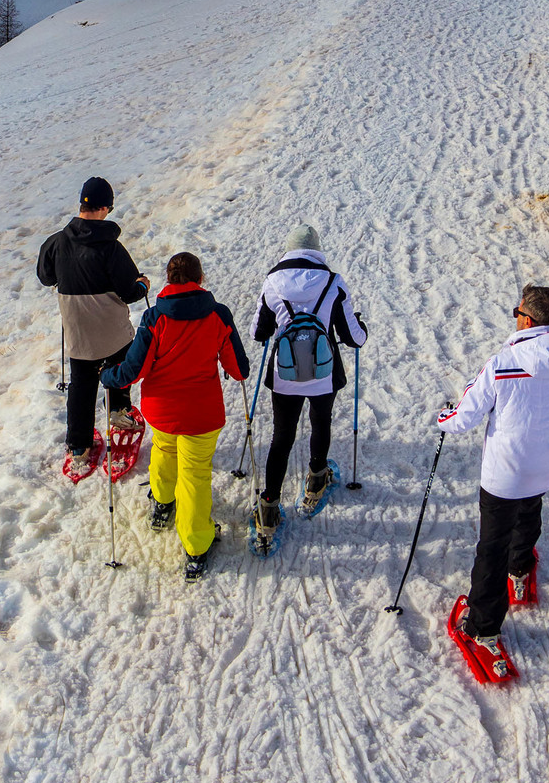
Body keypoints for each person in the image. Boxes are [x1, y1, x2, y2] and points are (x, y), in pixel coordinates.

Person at [437, 283, 549, 657]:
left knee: (491, 548)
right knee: (530, 510)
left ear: (526, 320)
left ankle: (483, 627)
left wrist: (442, 418)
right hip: (546, 467)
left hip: (505, 473)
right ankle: (521, 569)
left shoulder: (501, 364)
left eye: (517, 313)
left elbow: (462, 418)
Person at [101, 251, 248, 579]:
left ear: (169, 279)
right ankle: (196, 546)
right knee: (195, 474)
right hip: (202, 415)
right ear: (200, 278)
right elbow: (239, 370)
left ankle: (163, 505)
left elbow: (133, 370)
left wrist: (108, 377)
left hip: (163, 410)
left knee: (165, 450)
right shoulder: (219, 315)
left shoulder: (155, 319)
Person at [249, 224, 367, 546]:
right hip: (322, 374)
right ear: (317, 249)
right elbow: (352, 337)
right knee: (320, 424)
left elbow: (257, 333)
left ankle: (269, 509)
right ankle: (317, 479)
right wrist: (363, 328)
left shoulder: (273, 282)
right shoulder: (332, 282)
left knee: (281, 436)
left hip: (285, 376)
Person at [36, 178, 149, 479]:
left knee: (82, 385)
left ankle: (79, 448)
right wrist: (142, 285)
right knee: (119, 365)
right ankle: (118, 412)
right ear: (103, 208)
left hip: (78, 333)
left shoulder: (57, 242)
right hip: (111, 330)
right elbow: (129, 292)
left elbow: (45, 277)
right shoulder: (111, 248)